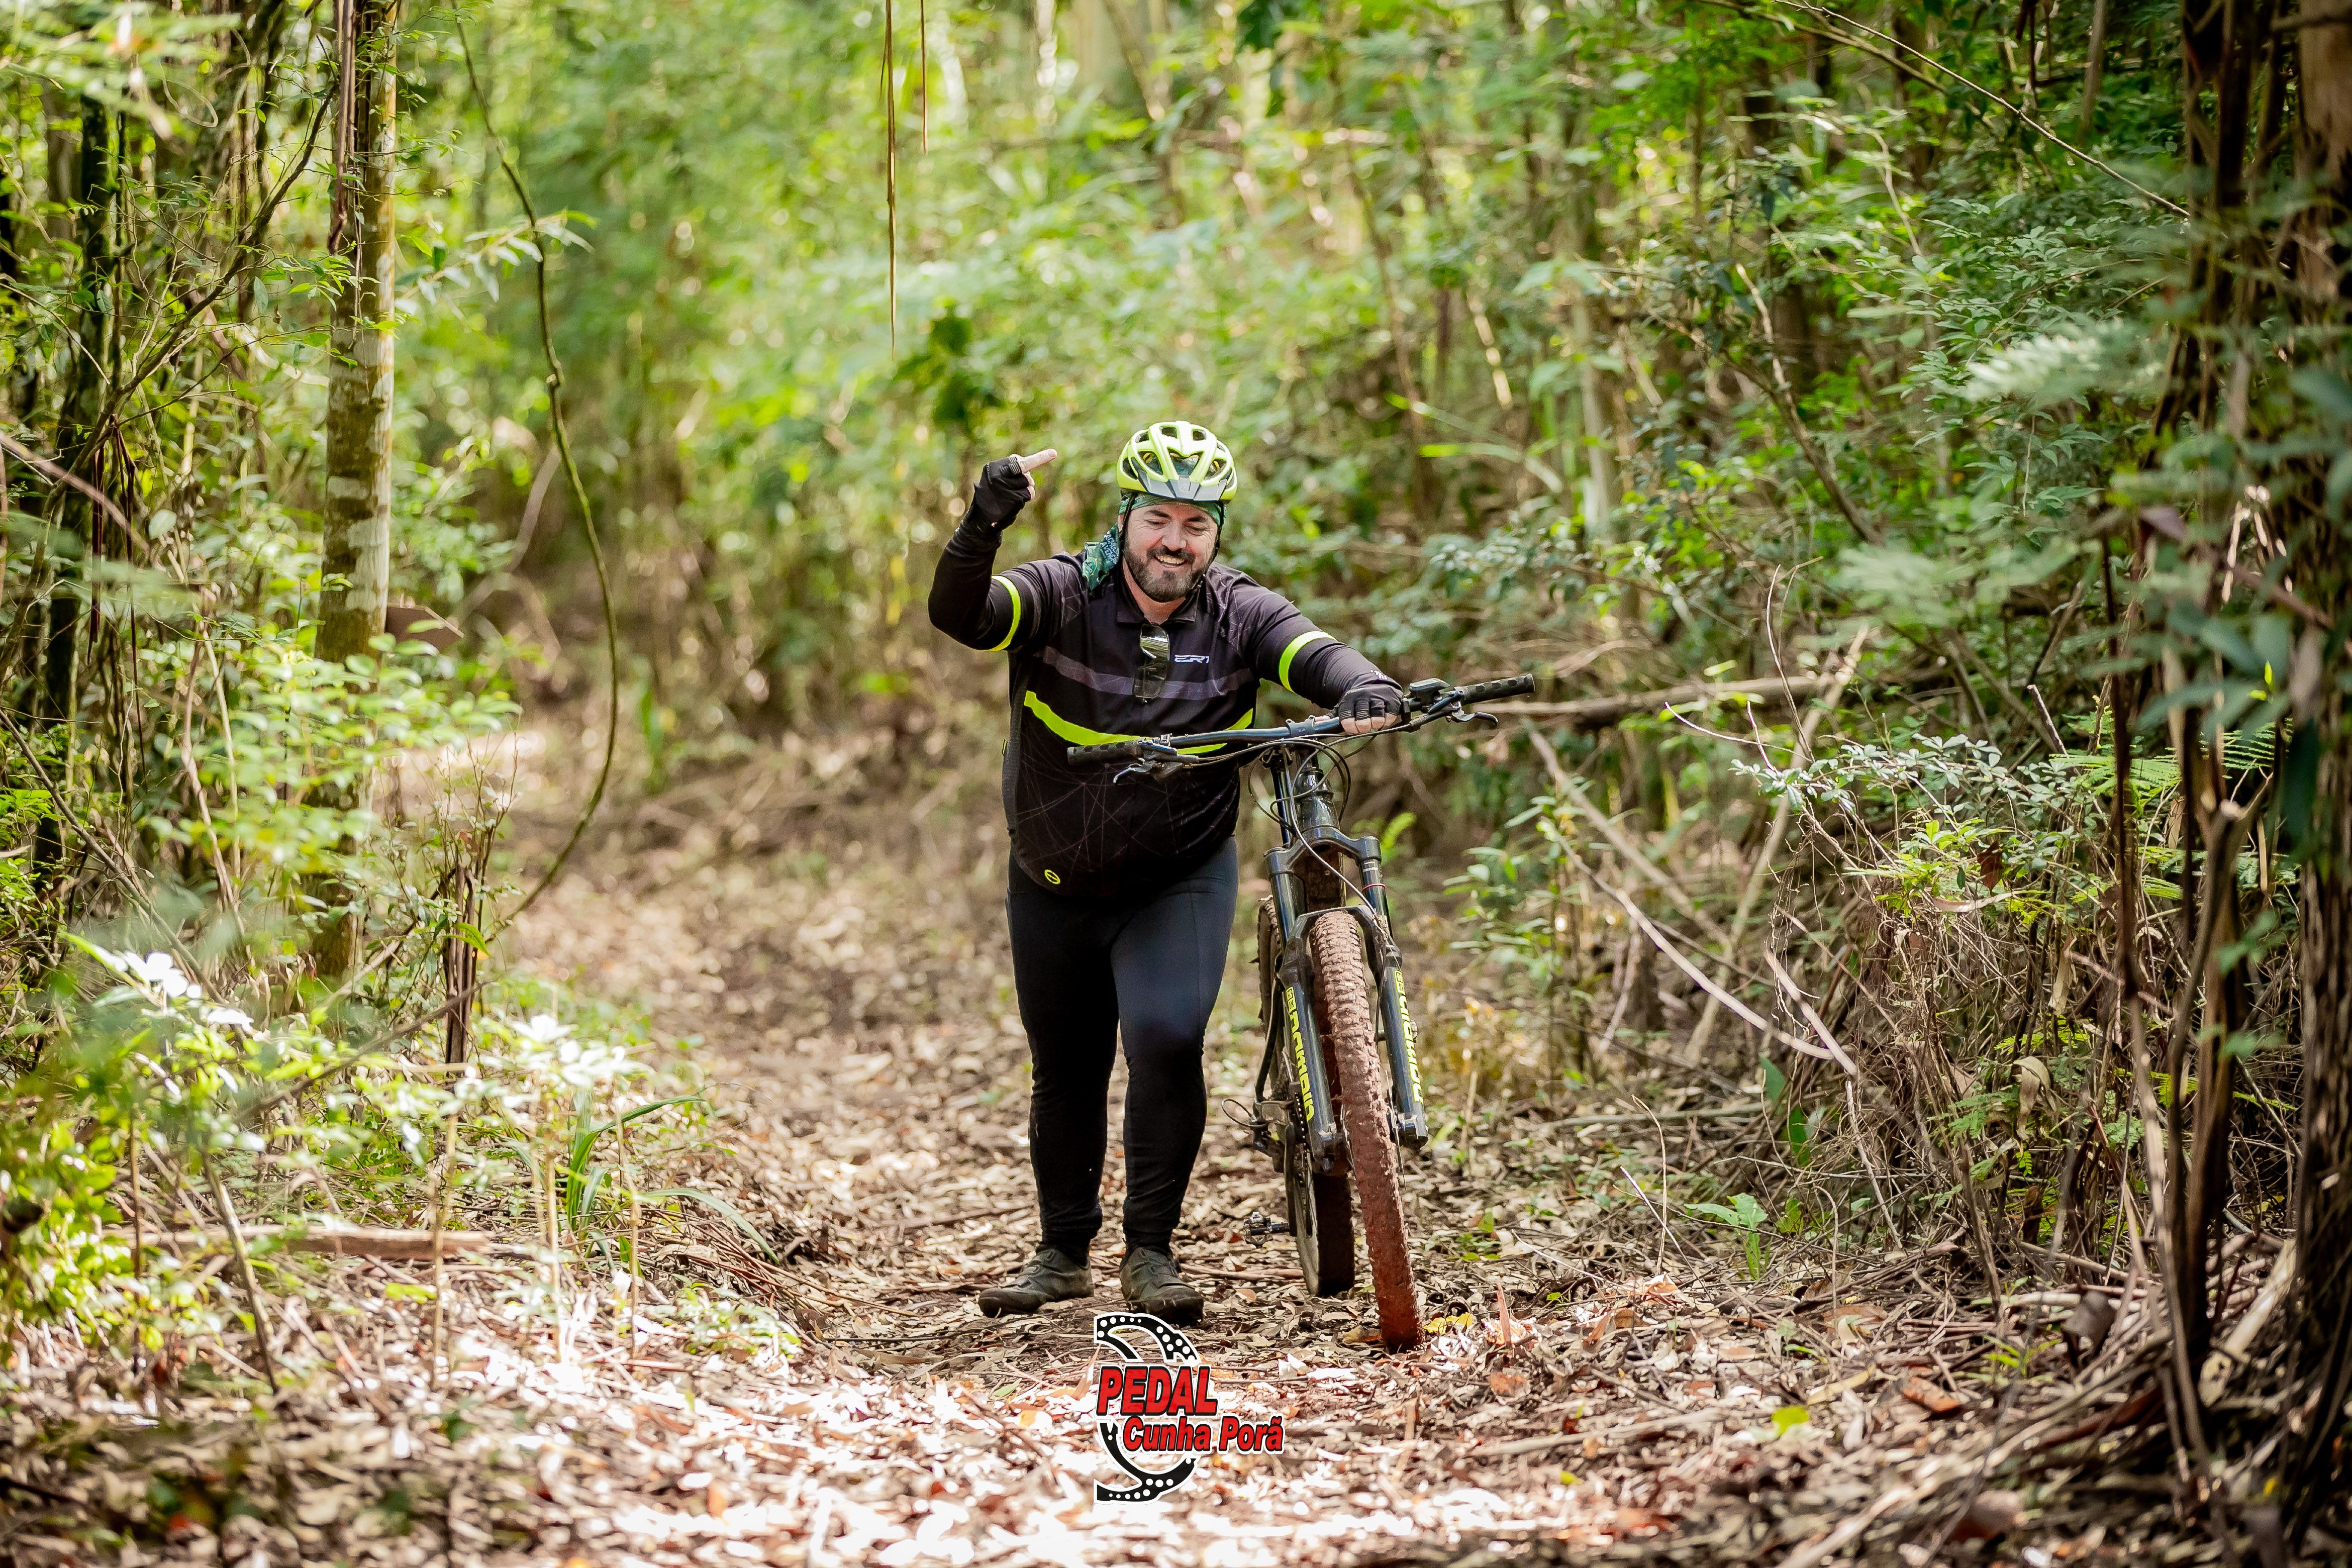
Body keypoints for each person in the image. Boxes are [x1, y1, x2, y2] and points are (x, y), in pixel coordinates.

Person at [927, 421, 1405, 1326]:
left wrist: (1364, 685)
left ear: (1216, 534)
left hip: (1177, 876)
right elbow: (965, 616)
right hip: (1054, 880)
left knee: (1166, 1037)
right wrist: (984, 520)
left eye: (1196, 524)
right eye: (1158, 519)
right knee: (1066, 1066)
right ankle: (1062, 1254)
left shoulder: (1237, 611)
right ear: (1126, 519)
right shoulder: (1064, 592)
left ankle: (1150, 1252)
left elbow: (1313, 652)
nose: (1175, 541)